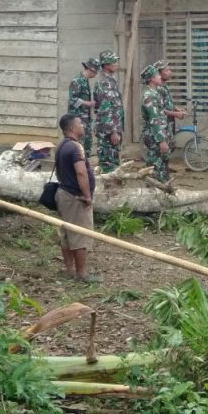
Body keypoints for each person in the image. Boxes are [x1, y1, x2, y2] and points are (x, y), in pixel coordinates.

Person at [54, 113, 98, 283]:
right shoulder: (75, 147)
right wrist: (87, 196)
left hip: (63, 194)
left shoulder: (62, 145)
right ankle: (81, 273)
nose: (83, 126)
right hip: (75, 198)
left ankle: (70, 270)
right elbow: (81, 172)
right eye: (80, 124)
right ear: (72, 128)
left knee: (66, 234)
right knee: (79, 235)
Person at [93, 50, 124, 172]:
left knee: (114, 161)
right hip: (108, 131)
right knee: (108, 163)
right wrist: (113, 131)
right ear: (106, 65)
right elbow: (105, 109)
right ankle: (108, 188)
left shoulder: (111, 81)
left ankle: (111, 187)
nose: (116, 64)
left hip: (113, 127)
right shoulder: (104, 83)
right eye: (113, 61)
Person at [140, 64, 171, 183]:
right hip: (154, 137)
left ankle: (161, 192)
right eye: (157, 75)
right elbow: (154, 119)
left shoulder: (155, 93)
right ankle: (153, 193)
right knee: (155, 166)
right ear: (151, 79)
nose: (160, 76)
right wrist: (161, 140)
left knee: (161, 167)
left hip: (159, 134)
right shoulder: (150, 96)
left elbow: (160, 114)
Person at [155, 60, 187, 162]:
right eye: (167, 70)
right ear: (159, 73)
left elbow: (167, 104)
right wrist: (176, 114)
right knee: (160, 154)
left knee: (167, 152)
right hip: (161, 125)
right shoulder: (157, 88)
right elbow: (159, 110)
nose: (170, 72)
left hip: (168, 123)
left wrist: (177, 109)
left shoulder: (164, 86)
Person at [67, 57, 99, 157]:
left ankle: (85, 166)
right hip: (77, 120)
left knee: (87, 144)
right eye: (96, 71)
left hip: (85, 119)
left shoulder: (85, 81)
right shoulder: (77, 81)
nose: (96, 74)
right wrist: (88, 103)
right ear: (91, 70)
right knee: (78, 146)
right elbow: (72, 99)